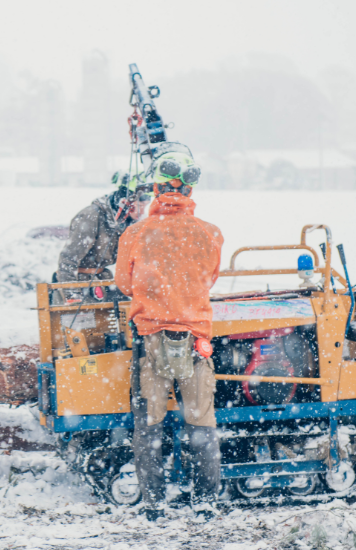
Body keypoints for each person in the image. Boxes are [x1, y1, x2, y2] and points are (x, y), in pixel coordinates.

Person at [113, 147, 224, 520]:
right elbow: (209, 278)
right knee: (201, 422)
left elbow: (125, 284)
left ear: (158, 188)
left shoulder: (136, 233)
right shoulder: (210, 234)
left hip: (152, 342)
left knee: (149, 423)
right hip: (197, 341)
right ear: (190, 190)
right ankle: (206, 502)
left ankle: (154, 504)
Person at [56, 172, 151, 302]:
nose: (142, 212)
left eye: (145, 206)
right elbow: (68, 258)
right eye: (140, 206)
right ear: (124, 202)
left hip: (104, 280)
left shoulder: (128, 222)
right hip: (80, 284)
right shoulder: (91, 217)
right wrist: (72, 294)